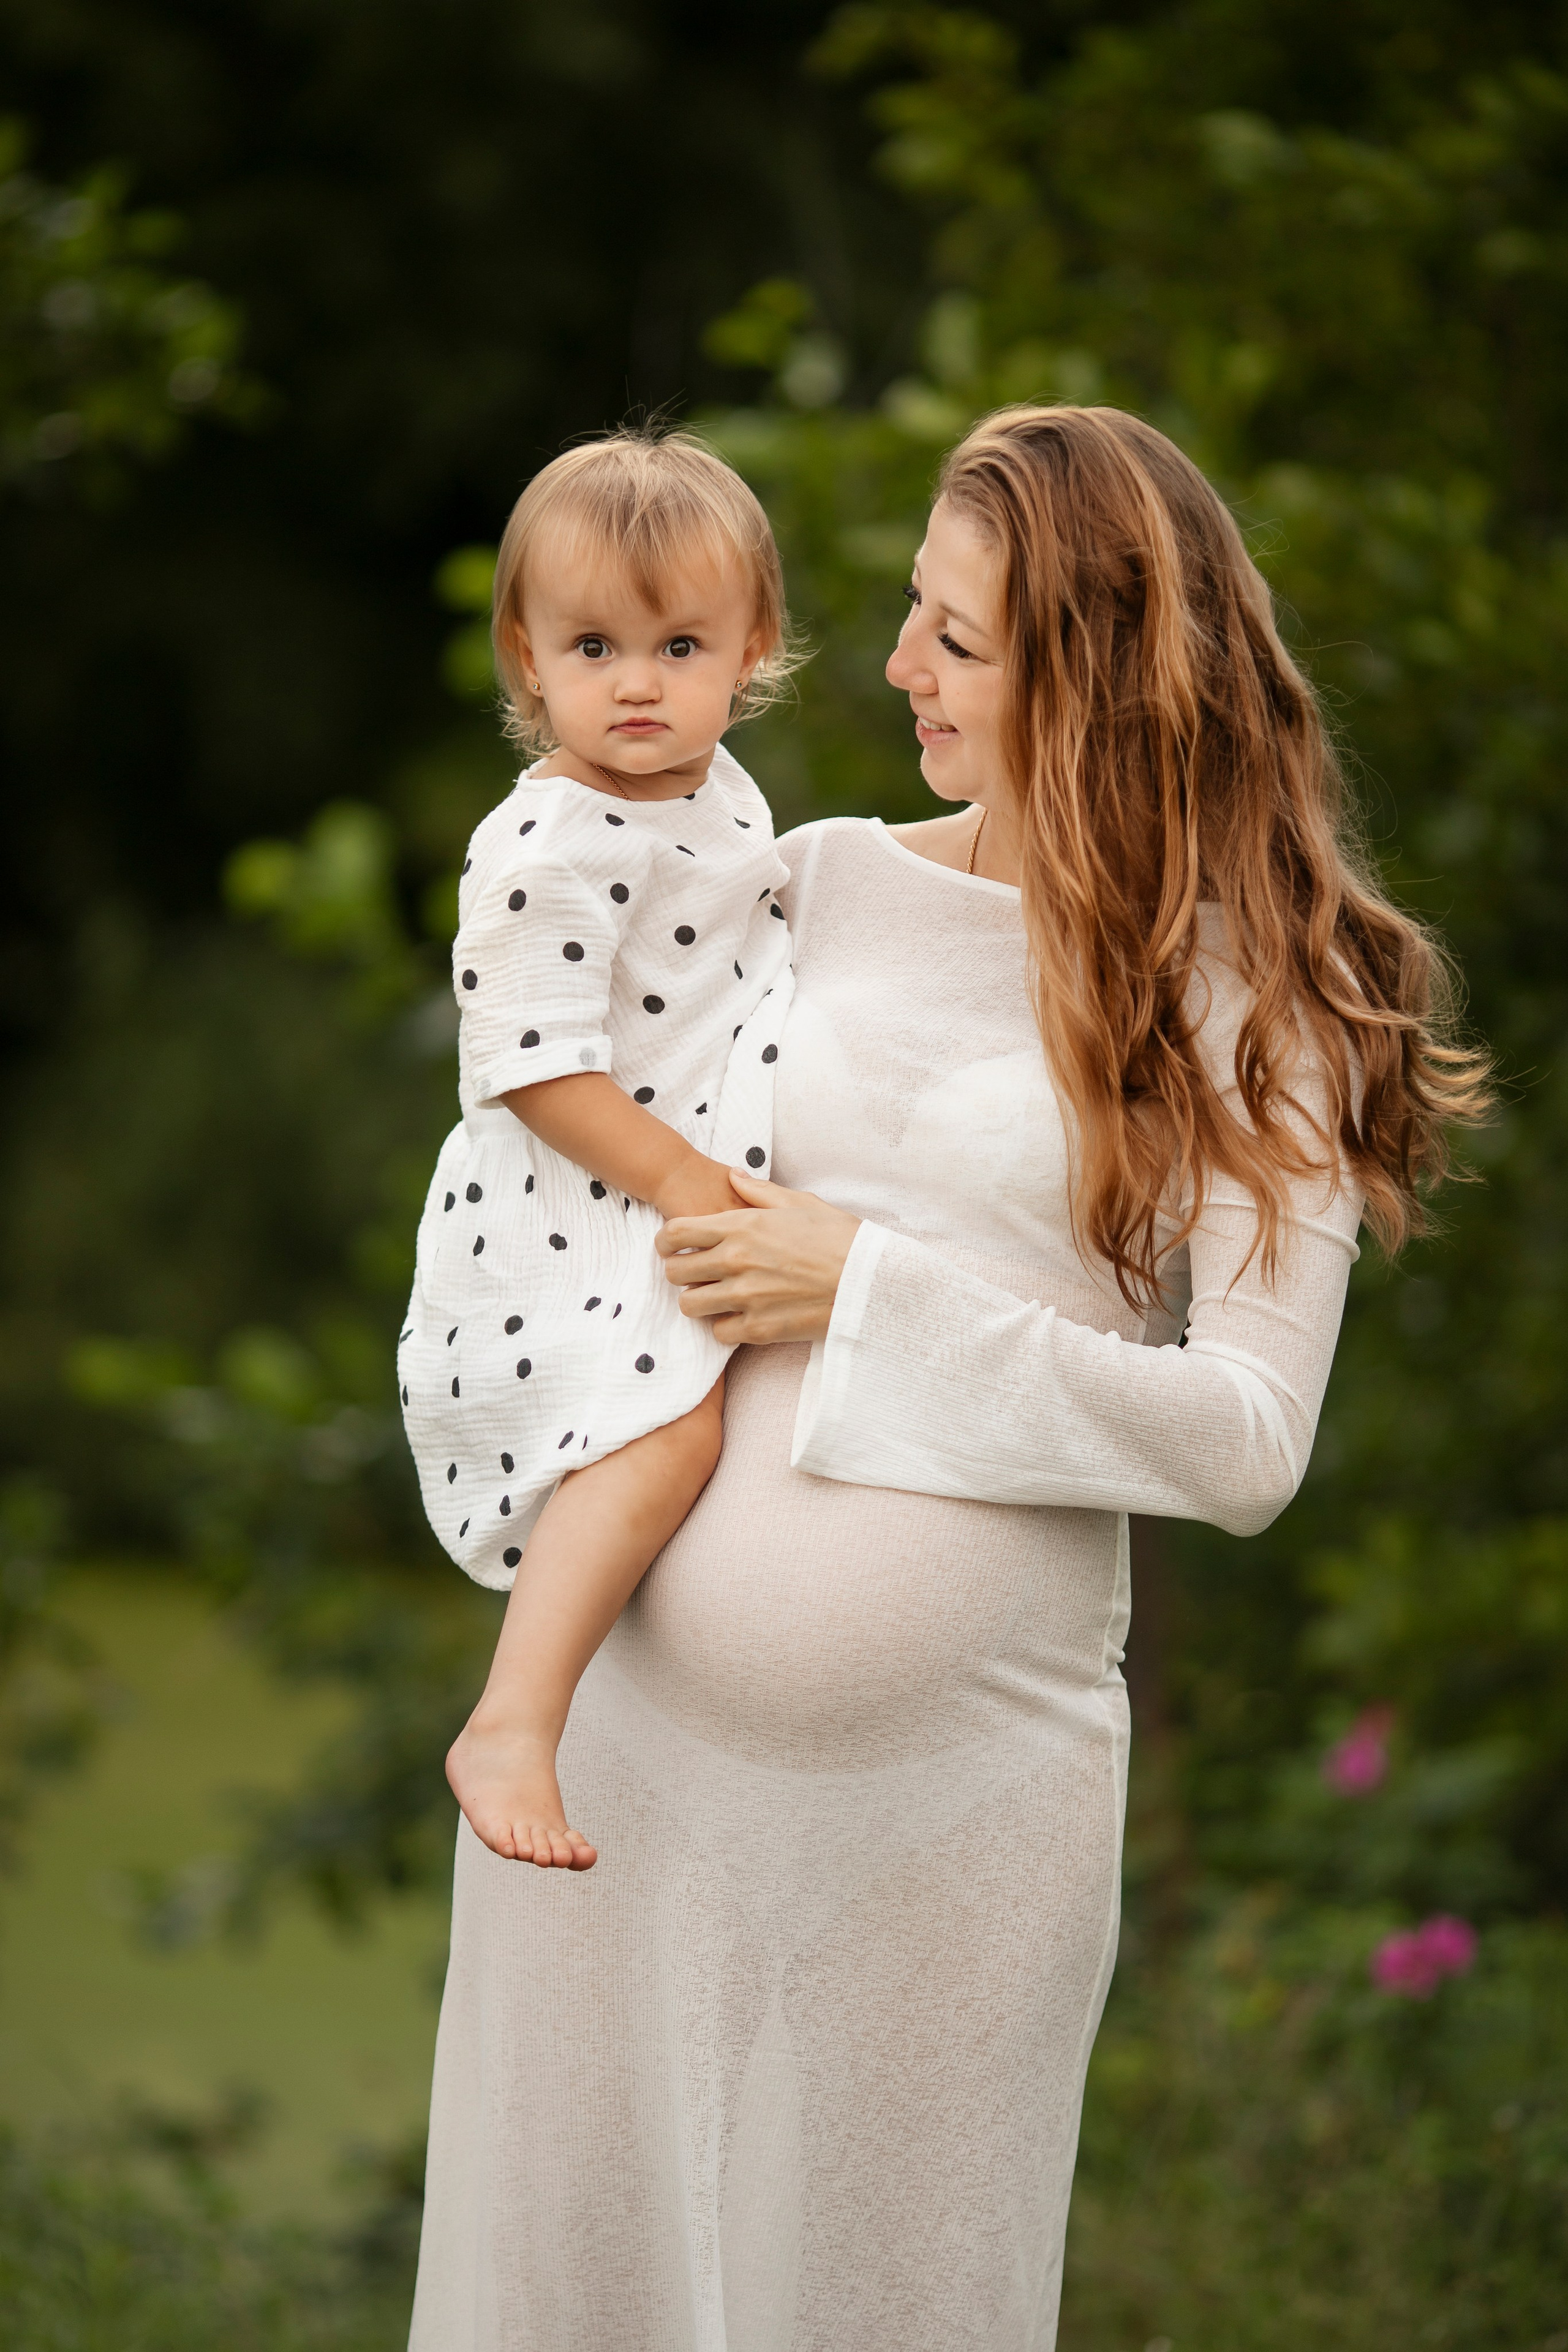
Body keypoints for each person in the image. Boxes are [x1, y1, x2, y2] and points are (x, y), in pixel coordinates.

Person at [408, 405, 1489, 2350]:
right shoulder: (801, 885)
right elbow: (555, 1139)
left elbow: (1247, 1441)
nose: (894, 664)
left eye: (959, 641)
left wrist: (873, 1292)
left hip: (952, 1814)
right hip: (626, 1778)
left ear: (1092, 680)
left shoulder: (1255, 1002)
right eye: (912, 611)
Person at [399, 426, 797, 1872]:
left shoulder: (716, 789)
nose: (637, 682)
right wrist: (691, 1185)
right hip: (574, 1208)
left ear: (751, 644)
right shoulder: (549, 842)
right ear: (527, 655)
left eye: (679, 642)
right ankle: (512, 1714)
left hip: (662, 1181)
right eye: (592, 644)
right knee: (662, 1431)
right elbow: (527, 1068)